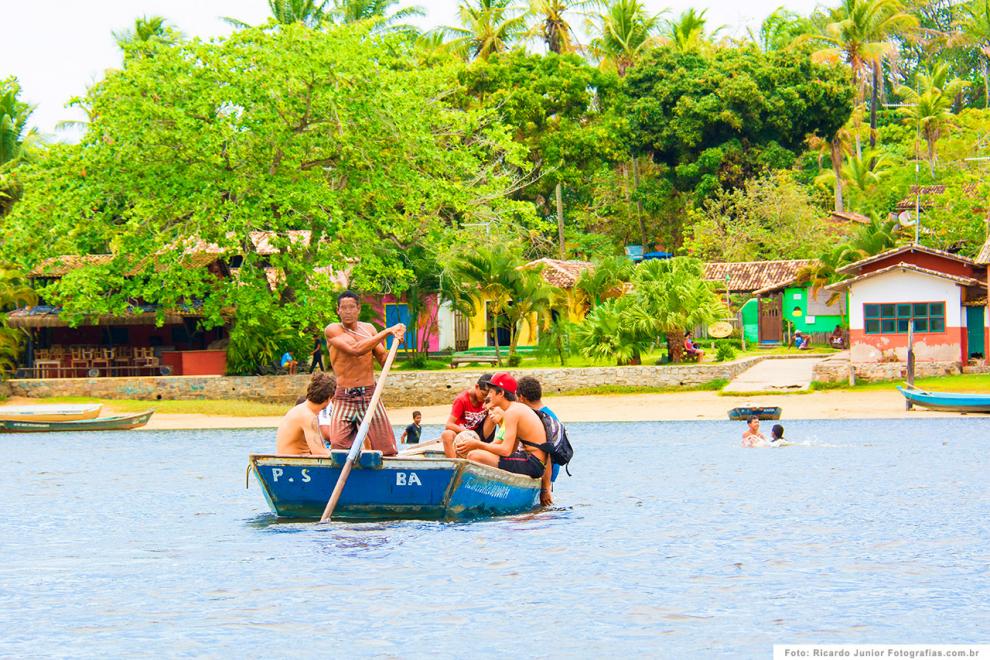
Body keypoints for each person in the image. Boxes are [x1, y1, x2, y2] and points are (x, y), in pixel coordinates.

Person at [324, 290, 406, 456]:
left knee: (387, 449)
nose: (347, 311)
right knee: (339, 449)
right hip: (343, 397)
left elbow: (384, 360)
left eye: (351, 307)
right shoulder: (333, 330)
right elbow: (355, 350)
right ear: (337, 310)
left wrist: (396, 342)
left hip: (369, 395)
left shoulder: (368, 329)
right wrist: (387, 331)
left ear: (358, 309)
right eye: (343, 308)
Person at [455, 373, 553, 506]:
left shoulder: (512, 413)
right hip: (535, 462)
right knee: (480, 454)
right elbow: (511, 449)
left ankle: (481, 497)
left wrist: (476, 444)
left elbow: (506, 451)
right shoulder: (516, 409)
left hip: (533, 463)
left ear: (500, 393)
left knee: (475, 456)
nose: (488, 395)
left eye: (490, 391)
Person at [275, 373, 335, 455]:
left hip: (289, 461)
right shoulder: (308, 417)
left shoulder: (300, 409)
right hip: (295, 463)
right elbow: (319, 452)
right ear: (329, 398)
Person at [440, 373, 492, 458]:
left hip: (478, 435)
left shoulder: (489, 400)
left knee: (493, 414)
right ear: (476, 387)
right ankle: (456, 465)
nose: (484, 398)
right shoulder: (462, 400)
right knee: (446, 434)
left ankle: (487, 449)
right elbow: (449, 424)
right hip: (462, 433)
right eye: (483, 394)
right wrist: (466, 432)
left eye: (488, 396)